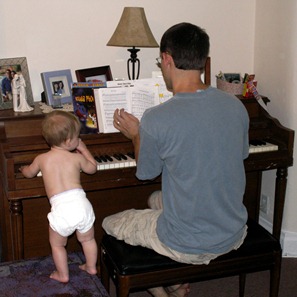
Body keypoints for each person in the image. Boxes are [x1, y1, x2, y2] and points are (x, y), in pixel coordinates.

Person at [102, 22, 249, 297]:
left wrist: (136, 136)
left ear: (167, 59)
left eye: (160, 61)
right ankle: (175, 279)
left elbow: (144, 173)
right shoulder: (235, 105)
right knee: (154, 199)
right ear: (203, 61)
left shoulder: (157, 118)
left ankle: (162, 289)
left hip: (187, 243)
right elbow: (233, 156)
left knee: (109, 223)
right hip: (233, 231)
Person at [19, 110, 98, 283]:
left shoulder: (42, 159)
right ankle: (91, 266)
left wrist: (23, 169)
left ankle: (62, 274)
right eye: (78, 137)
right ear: (69, 141)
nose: (80, 140)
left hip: (62, 209)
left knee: (57, 244)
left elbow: (29, 173)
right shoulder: (75, 159)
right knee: (88, 239)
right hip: (81, 204)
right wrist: (84, 150)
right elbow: (93, 168)